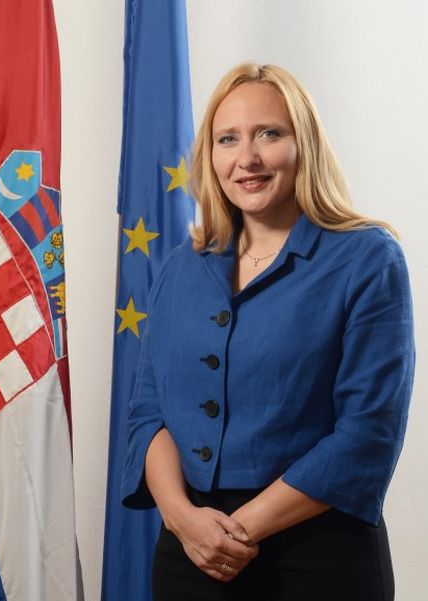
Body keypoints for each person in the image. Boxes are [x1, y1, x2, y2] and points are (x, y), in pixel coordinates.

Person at [121, 63, 415, 601]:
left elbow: (367, 433)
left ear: (304, 144)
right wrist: (183, 519)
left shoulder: (368, 259)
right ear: (210, 156)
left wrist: (235, 532)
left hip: (319, 558)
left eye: (269, 134)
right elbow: (148, 412)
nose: (247, 158)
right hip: (189, 554)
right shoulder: (181, 265)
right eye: (227, 139)